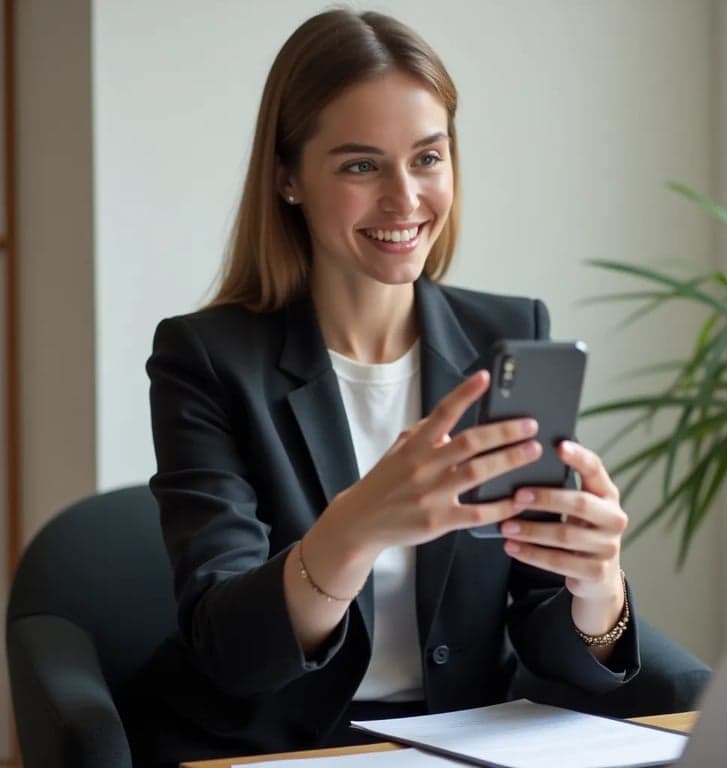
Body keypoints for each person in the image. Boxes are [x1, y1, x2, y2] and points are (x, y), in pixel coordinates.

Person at [129, 8, 647, 768]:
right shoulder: (205, 358)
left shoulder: (507, 338)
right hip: (275, 749)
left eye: (428, 158)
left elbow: (549, 634)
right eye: (360, 165)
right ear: (288, 178)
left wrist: (598, 586)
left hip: (464, 745)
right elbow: (228, 652)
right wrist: (358, 527)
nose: (406, 199)